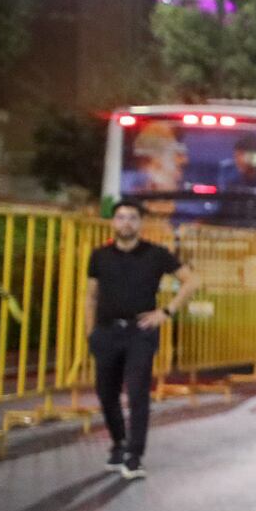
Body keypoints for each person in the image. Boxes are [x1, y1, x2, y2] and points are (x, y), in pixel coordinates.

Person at [85, 200, 198, 480]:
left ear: (140, 223)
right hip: (107, 331)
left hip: (140, 332)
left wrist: (166, 312)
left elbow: (191, 281)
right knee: (106, 393)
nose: (126, 223)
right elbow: (90, 296)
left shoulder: (156, 254)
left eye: (132, 218)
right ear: (113, 222)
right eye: (121, 217)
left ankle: (135, 456)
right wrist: (91, 333)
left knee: (137, 394)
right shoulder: (99, 256)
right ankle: (119, 444)